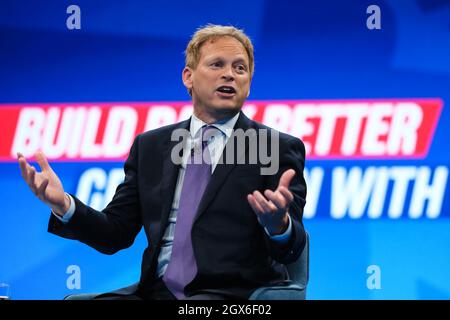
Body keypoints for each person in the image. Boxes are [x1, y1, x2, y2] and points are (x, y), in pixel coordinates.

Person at [17, 24, 307, 300]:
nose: (229, 75)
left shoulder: (274, 147)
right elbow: (115, 234)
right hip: (153, 292)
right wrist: (64, 205)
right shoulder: (151, 146)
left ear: (249, 82)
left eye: (239, 68)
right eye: (217, 64)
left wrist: (278, 225)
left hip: (232, 296)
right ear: (188, 77)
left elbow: (291, 251)